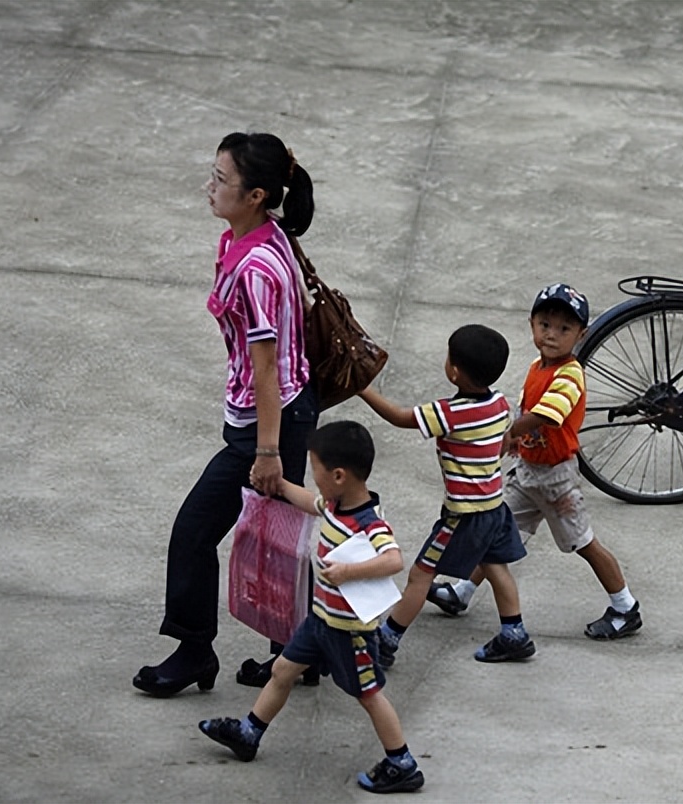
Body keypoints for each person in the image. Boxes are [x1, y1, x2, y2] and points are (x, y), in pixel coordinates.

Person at [133, 132, 320, 697]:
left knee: (195, 532)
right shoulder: (261, 236)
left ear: (258, 194)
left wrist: (266, 452)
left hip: (270, 420)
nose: (208, 187)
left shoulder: (256, 267)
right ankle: (299, 655)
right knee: (276, 537)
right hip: (284, 408)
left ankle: (195, 653)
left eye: (221, 180)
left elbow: (266, 369)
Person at [198, 420, 424, 794]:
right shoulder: (334, 504)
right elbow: (310, 502)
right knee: (283, 669)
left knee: (368, 695)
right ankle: (249, 732)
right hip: (320, 621)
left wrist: (350, 571)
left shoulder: (370, 523)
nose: (313, 476)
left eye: (315, 469)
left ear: (338, 475)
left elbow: (393, 560)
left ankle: (401, 761)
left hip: (350, 633)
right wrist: (279, 487)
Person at [427, 284, 643, 640]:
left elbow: (546, 415)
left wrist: (505, 432)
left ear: (581, 335)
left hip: (557, 481)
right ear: (531, 324)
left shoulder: (571, 374)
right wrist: (513, 440)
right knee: (495, 533)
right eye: (544, 324)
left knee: (583, 543)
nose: (551, 335)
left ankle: (625, 606)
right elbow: (526, 409)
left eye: (564, 329)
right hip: (528, 472)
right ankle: (463, 592)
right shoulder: (535, 367)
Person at [357, 324, 535, 664]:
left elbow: (399, 417)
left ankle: (387, 640)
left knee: (421, 574)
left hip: (462, 515)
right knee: (496, 566)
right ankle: (514, 633)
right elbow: (499, 446)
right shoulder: (500, 404)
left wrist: (361, 389)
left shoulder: (449, 414)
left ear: (454, 372)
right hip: (494, 507)